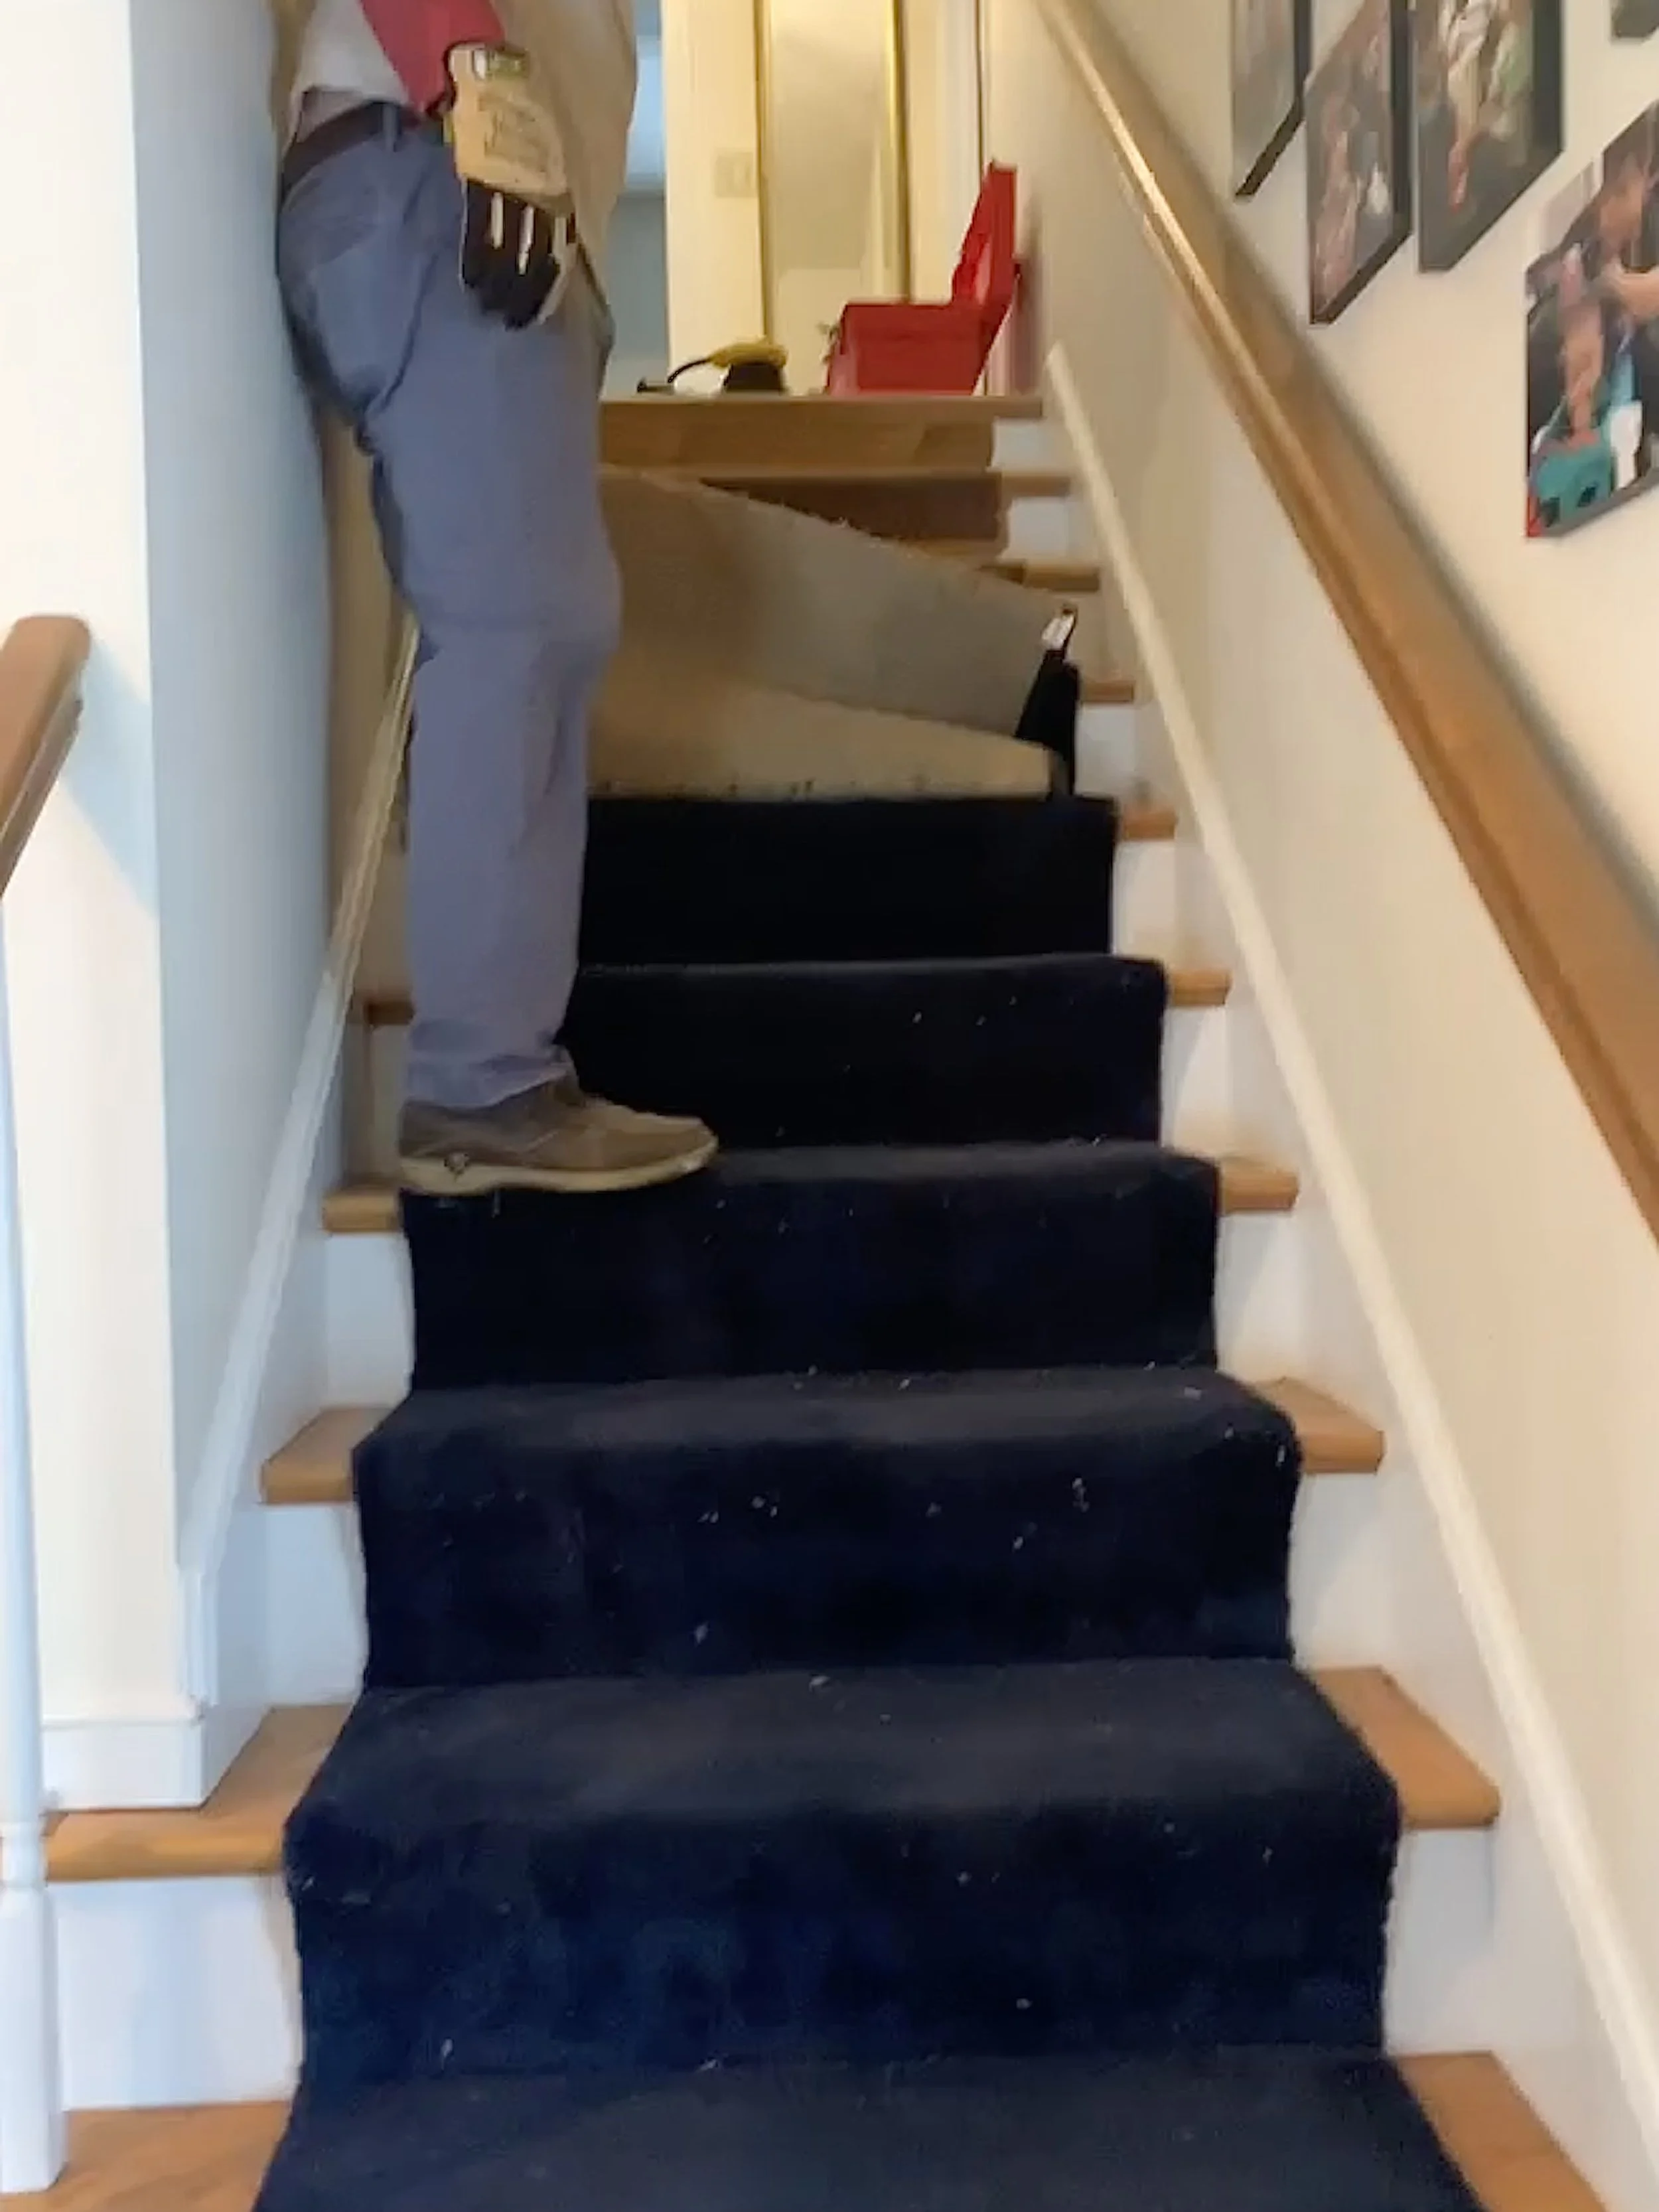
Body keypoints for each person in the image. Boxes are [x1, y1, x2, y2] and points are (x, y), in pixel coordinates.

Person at [277, 0, 718, 1197]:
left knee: (540, 623)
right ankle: (482, 1082)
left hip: (425, 166)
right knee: (518, 628)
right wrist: (475, 79)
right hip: (430, 161)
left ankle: (496, 1073)